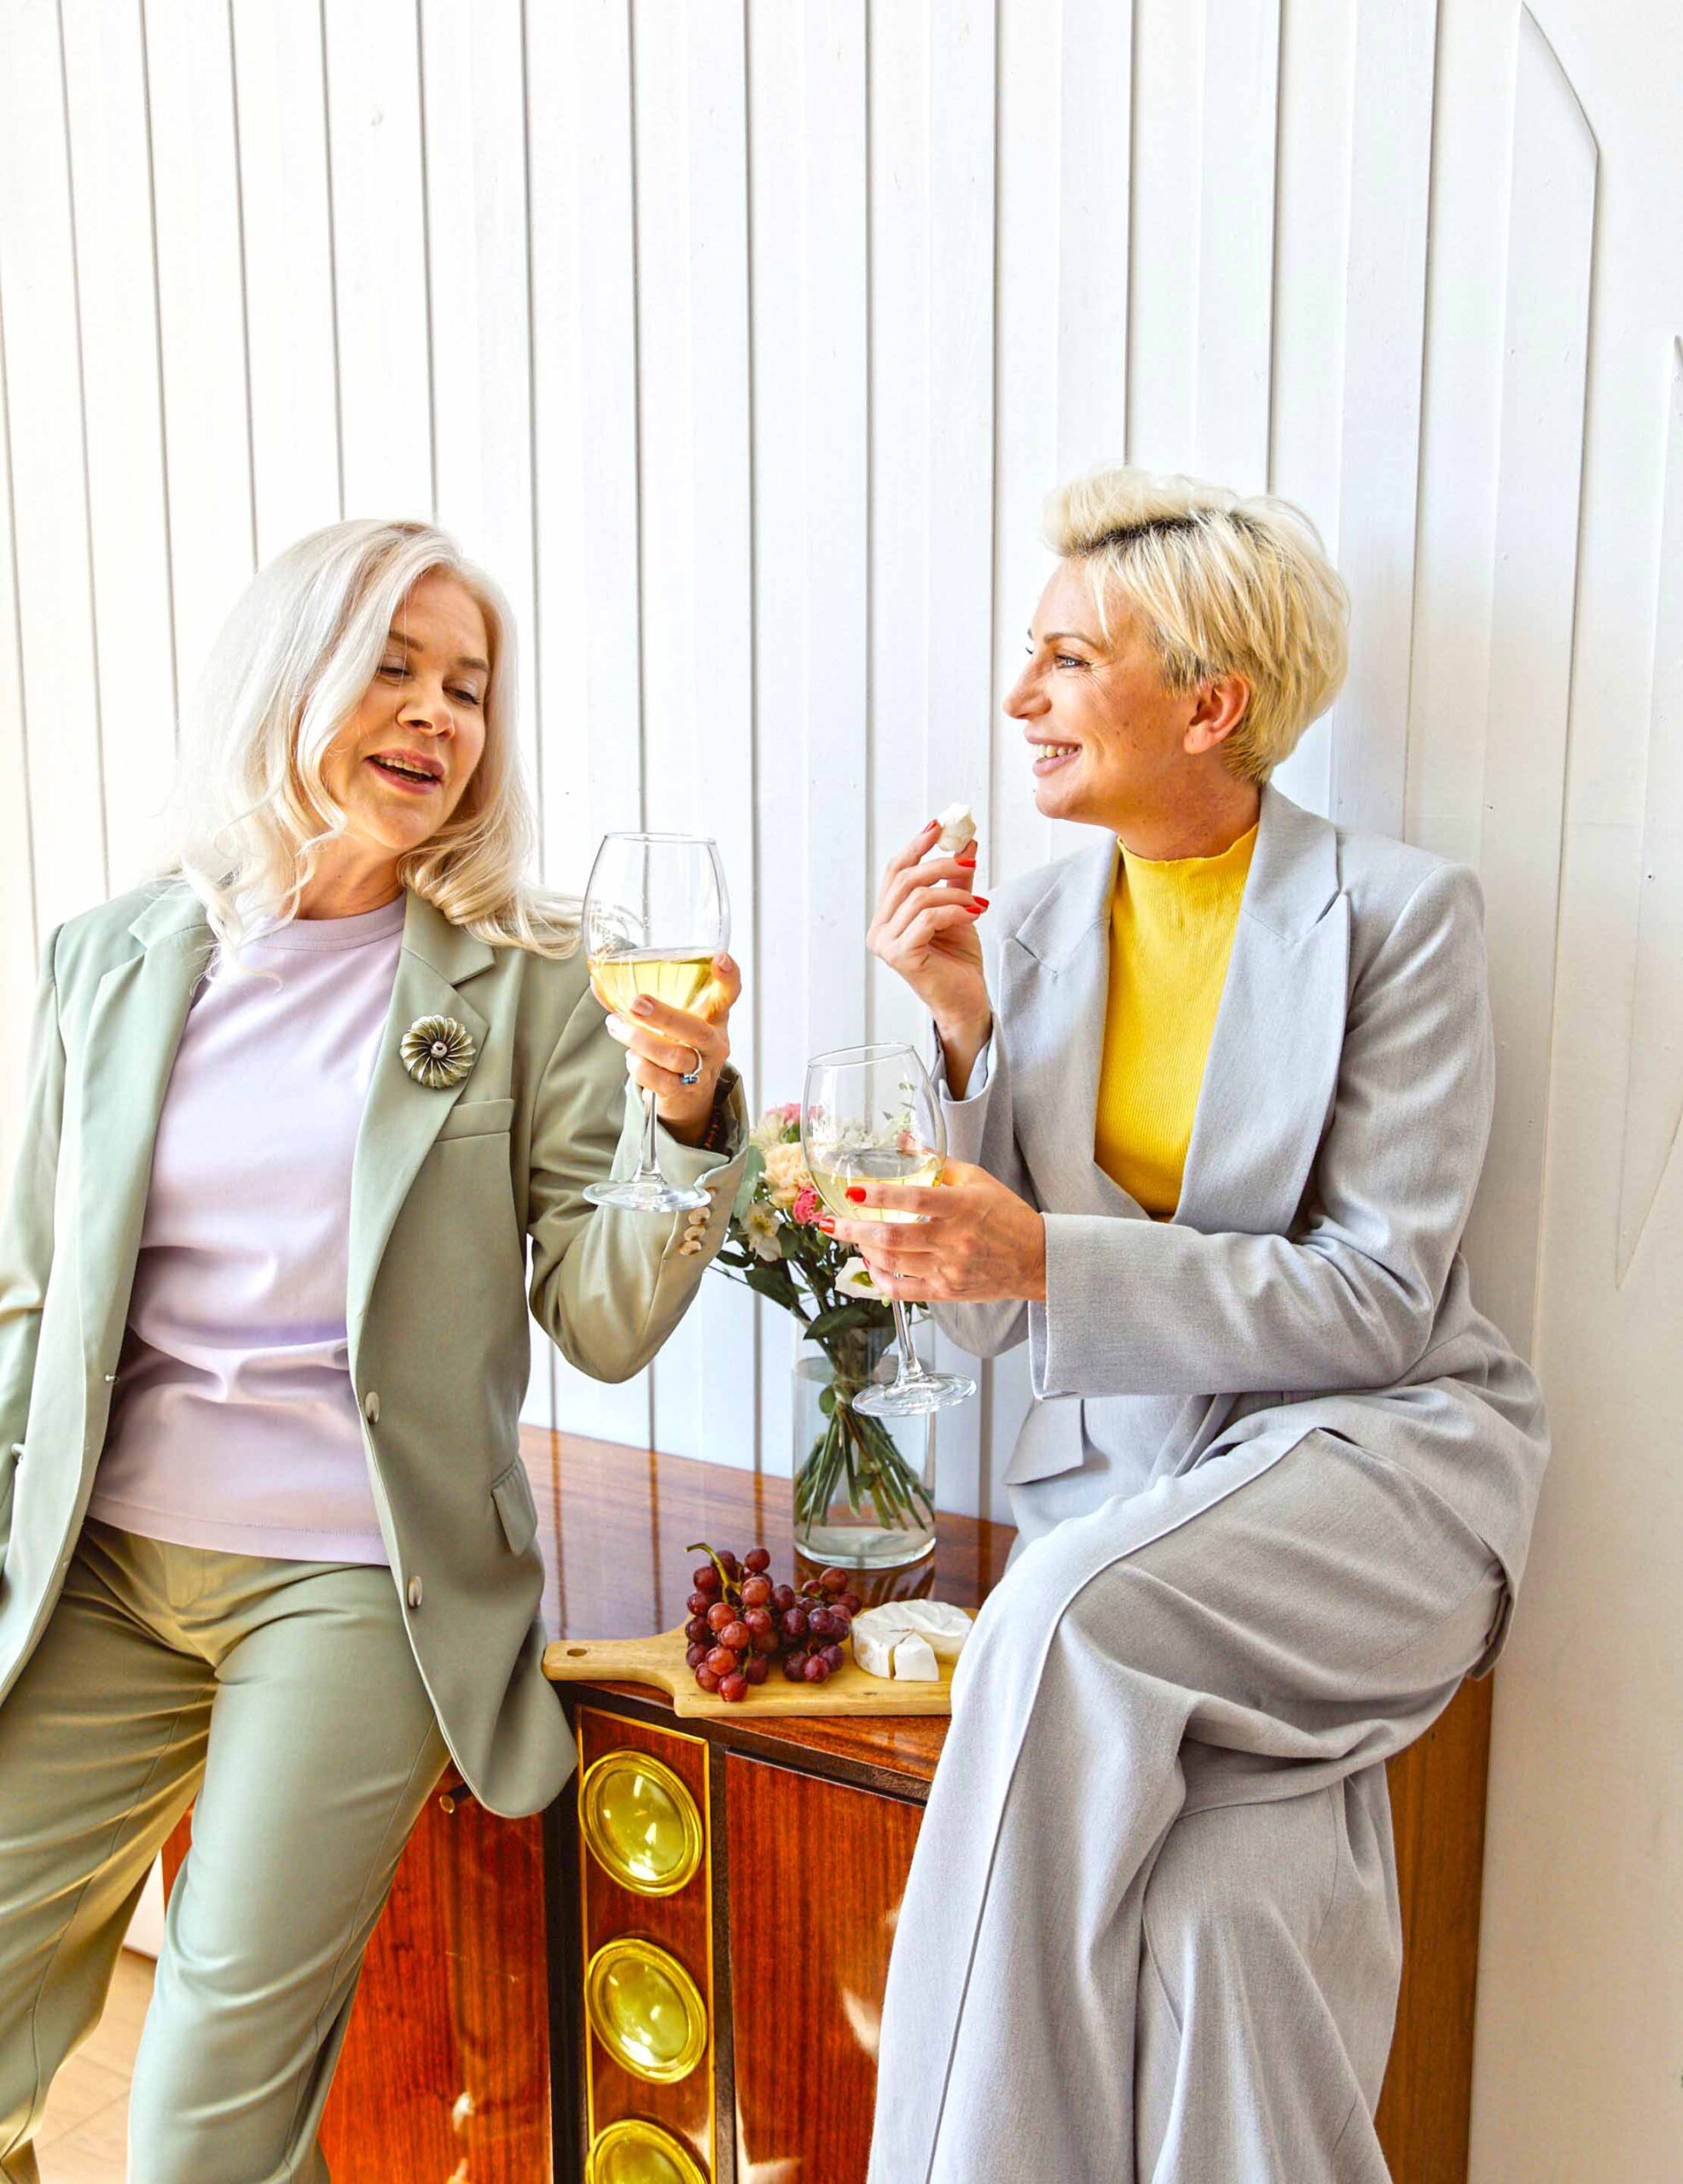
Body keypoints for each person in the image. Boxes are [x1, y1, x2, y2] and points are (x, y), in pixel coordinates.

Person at [0, 519, 746, 2182]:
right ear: (294, 679)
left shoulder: (533, 981)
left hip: (349, 1579)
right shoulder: (111, 959)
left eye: (468, 686)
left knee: (203, 2116)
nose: (437, 715)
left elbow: (607, 1318)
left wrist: (688, 1118)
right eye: (395, 667)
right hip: (102, 1566)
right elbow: (34, 1296)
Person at [829, 466, 1548, 2182]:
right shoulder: (1044, 926)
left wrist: (1050, 1260)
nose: (1022, 698)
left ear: (1211, 702)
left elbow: (1378, 1301)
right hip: (1153, 1500)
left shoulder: (1399, 917)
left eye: (1068, 661)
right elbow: (999, 1322)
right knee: (1231, 1920)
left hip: (1383, 1477)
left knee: (1052, 1622)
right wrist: (956, 1044)